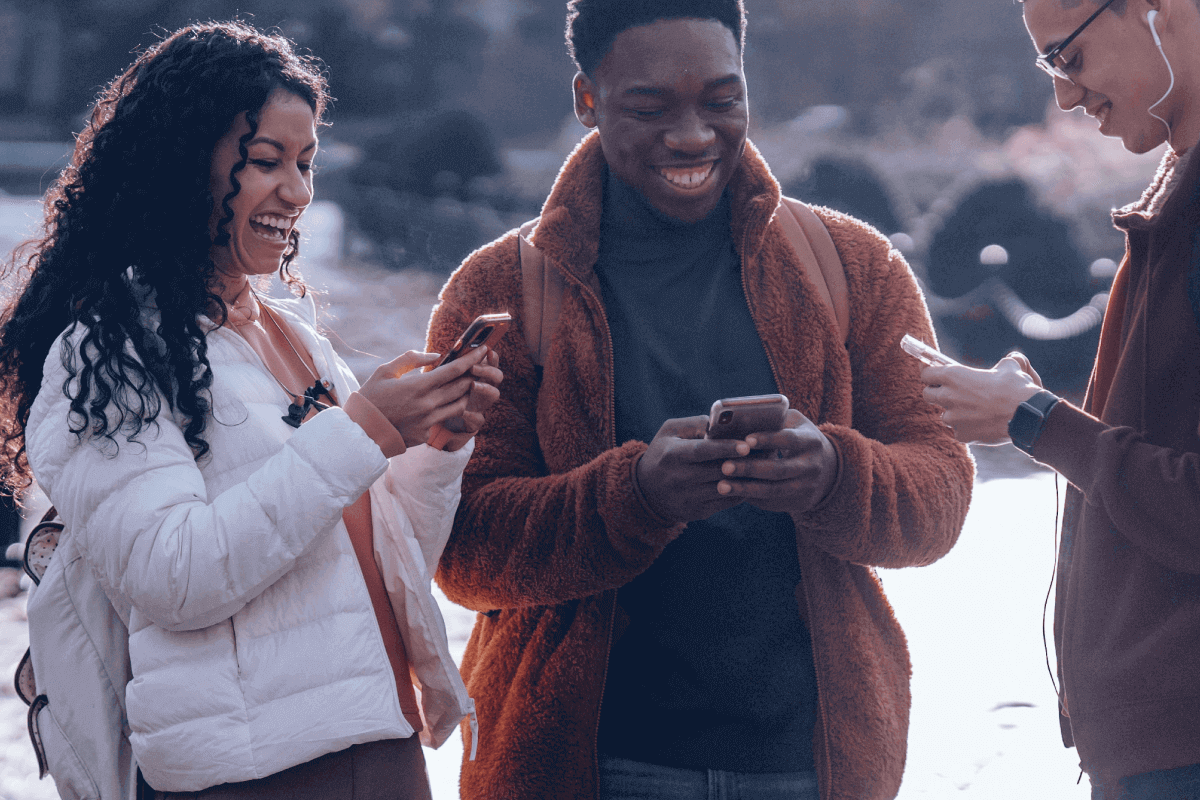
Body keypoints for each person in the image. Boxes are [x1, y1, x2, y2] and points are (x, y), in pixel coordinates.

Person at [426, 1, 975, 798]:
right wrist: (635, 494)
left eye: (722, 101)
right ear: (587, 98)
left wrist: (833, 476)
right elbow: (461, 548)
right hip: (590, 766)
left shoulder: (854, 267)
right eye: (650, 107)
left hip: (811, 764)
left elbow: (943, 493)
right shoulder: (502, 289)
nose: (692, 135)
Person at [0, 21, 502, 799]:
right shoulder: (106, 353)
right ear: (179, 164)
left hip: (386, 747)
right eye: (265, 161)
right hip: (254, 775)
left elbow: (389, 567)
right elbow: (175, 576)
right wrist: (363, 427)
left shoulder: (293, 340)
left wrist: (433, 447)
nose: (297, 192)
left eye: (305, 164)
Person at [920, 0, 1200, 796]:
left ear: (1158, 11)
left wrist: (1031, 421)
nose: (1066, 98)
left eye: (1066, 58)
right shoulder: (1177, 192)